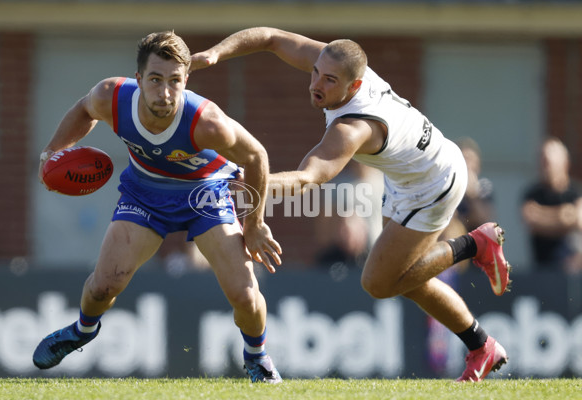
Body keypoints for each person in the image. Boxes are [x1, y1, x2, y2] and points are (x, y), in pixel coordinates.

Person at [191, 27, 512, 382]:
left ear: (354, 87)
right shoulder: (341, 64)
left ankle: (475, 243)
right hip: (409, 174)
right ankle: (481, 346)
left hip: (435, 181)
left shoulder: (353, 127)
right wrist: (216, 53)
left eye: (329, 80)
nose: (316, 84)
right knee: (404, 275)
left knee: (379, 282)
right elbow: (269, 37)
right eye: (316, 73)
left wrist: (242, 187)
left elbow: (306, 179)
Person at [32, 31, 283, 383]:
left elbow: (257, 155)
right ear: (138, 79)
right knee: (103, 287)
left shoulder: (206, 121)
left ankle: (256, 356)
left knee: (244, 295)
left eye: (174, 81)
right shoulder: (111, 97)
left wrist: (254, 224)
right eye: (154, 80)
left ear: (186, 80)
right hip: (145, 193)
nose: (165, 93)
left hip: (204, 195)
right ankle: (82, 330)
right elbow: (83, 110)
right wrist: (51, 154)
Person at [521, 136, 582, 273]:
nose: (544, 166)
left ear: (565, 163)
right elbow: (531, 219)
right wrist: (563, 215)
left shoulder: (575, 193)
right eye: (542, 161)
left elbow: (578, 220)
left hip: (571, 271)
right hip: (541, 269)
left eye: (548, 162)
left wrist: (542, 213)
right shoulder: (532, 193)